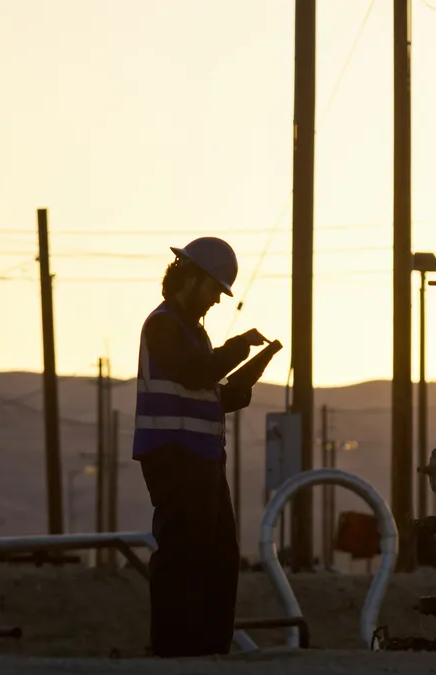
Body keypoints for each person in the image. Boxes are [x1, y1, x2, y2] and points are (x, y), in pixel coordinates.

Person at [132, 236, 268, 658]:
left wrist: (233, 392)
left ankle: (210, 649)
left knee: (218, 555)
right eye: (214, 290)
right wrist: (238, 347)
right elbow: (192, 373)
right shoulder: (163, 324)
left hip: (203, 458)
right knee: (183, 553)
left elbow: (198, 387)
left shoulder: (193, 332)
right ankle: (175, 649)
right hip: (174, 457)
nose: (215, 302)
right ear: (190, 279)